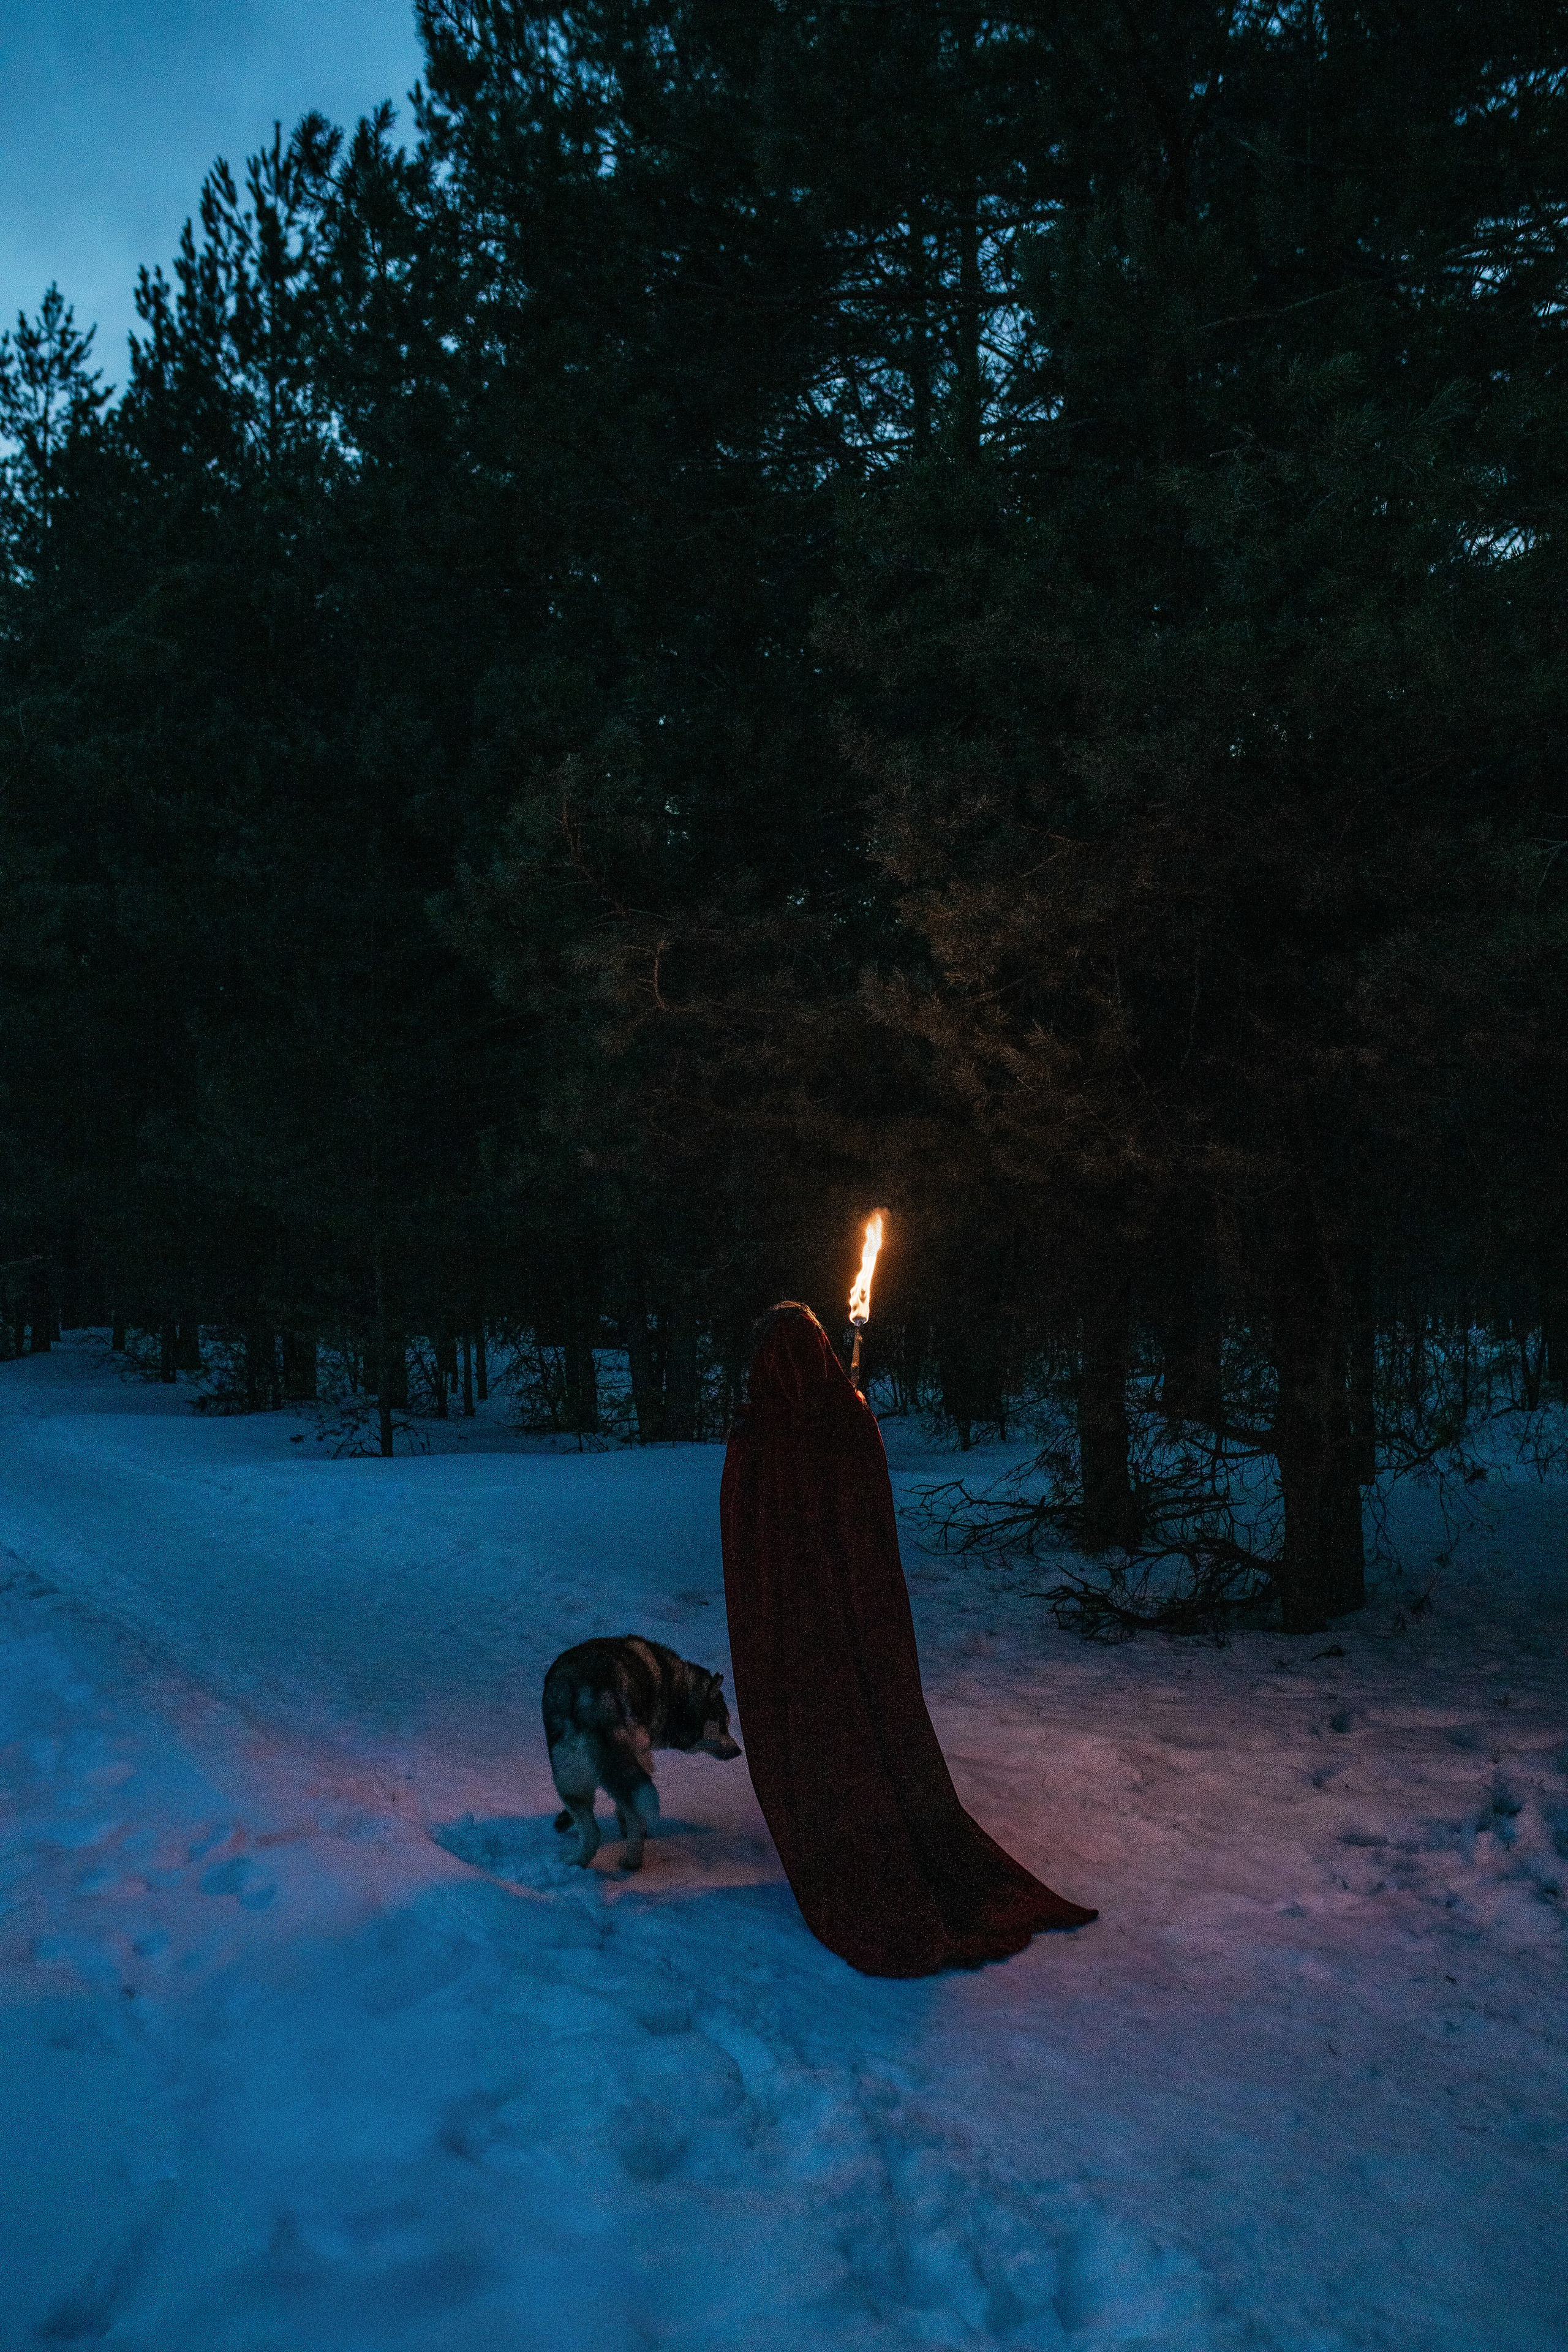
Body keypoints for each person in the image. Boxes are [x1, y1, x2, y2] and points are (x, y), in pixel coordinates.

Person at [720, 1301, 1096, 1977]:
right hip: (856, 1624)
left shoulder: (756, 1438)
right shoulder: (841, 1426)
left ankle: (845, 1849)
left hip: (794, 1634)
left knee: (823, 1730)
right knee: (864, 1723)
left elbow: (757, 1549)